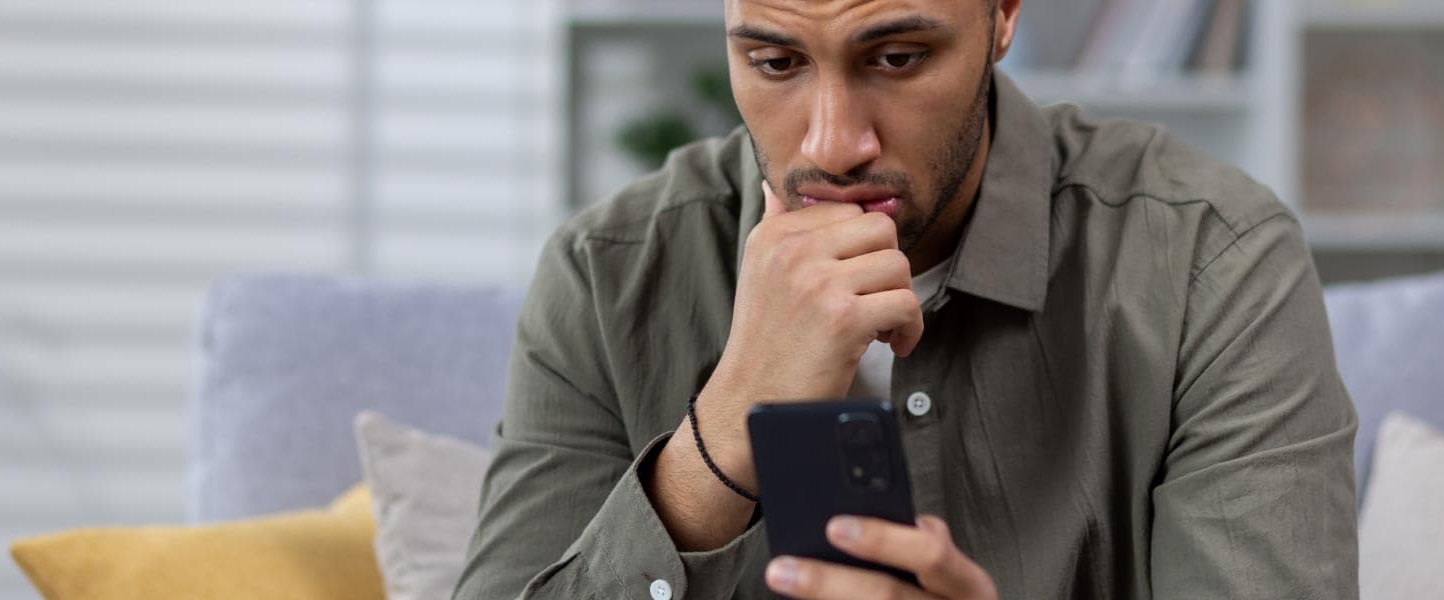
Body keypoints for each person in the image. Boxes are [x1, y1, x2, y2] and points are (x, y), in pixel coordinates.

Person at [454, 0, 1359, 598]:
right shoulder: (605, 272)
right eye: (775, 62)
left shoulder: (1213, 258)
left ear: (1002, 14)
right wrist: (724, 430)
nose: (833, 142)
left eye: (896, 56)